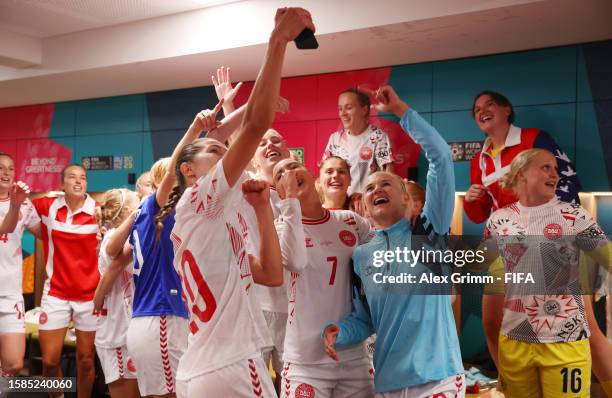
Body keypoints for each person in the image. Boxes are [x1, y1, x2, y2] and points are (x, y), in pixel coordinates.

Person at [157, 8, 315, 396]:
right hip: (229, 365)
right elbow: (255, 127)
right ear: (191, 173)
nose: (223, 149)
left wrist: (263, 211)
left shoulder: (214, 220)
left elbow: (272, 275)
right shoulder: (199, 200)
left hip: (205, 368)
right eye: (214, 149)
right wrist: (278, 39)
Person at [323, 85, 465, 397]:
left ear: (407, 201)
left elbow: (441, 158)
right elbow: (365, 320)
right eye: (370, 188)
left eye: (385, 183)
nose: (376, 190)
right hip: (387, 385)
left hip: (438, 379)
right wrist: (339, 332)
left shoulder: (428, 233)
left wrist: (401, 111)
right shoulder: (360, 256)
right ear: (363, 203)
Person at [484, 148, 610, 398]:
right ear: (521, 173)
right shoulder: (499, 219)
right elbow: (481, 264)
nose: (556, 174)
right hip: (514, 341)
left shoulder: (575, 216)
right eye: (546, 167)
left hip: (565, 341)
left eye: (555, 168)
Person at [273, 153, 375, 397]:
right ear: (277, 190)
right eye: (280, 174)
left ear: (312, 176)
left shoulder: (350, 221)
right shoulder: (279, 227)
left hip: (353, 354)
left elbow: (384, 258)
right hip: (304, 361)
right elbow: (294, 261)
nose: (289, 174)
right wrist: (289, 203)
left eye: (295, 166)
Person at [32, 164, 99, 398]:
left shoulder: (99, 211)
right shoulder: (47, 206)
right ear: (62, 185)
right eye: (72, 177)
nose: (78, 181)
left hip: (90, 296)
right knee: (49, 362)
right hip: (56, 293)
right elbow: (14, 203)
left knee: (86, 360)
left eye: (83, 177)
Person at [463, 90, 581, 224]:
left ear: (507, 110)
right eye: (477, 110)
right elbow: (479, 217)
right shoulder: (478, 161)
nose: (482, 111)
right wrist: (469, 200)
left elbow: (568, 181)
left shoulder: (534, 139)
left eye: (489, 105)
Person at [93, 188, 141, 398]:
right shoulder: (113, 237)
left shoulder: (126, 236)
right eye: (140, 203)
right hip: (117, 335)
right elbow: (114, 254)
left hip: (130, 331)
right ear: (130, 210)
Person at [0, 152, 37, 376]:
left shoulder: (26, 204)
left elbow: (47, 234)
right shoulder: (18, 204)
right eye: (0, 168)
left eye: (11, 168)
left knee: (14, 364)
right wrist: (15, 205)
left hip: (11, 295)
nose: (6, 172)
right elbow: (5, 227)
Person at [323, 87, 393, 196]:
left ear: (364, 110)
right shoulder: (335, 139)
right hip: (339, 204)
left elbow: (388, 177)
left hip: (366, 205)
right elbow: (324, 174)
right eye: (340, 109)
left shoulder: (378, 136)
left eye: (348, 108)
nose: (343, 113)